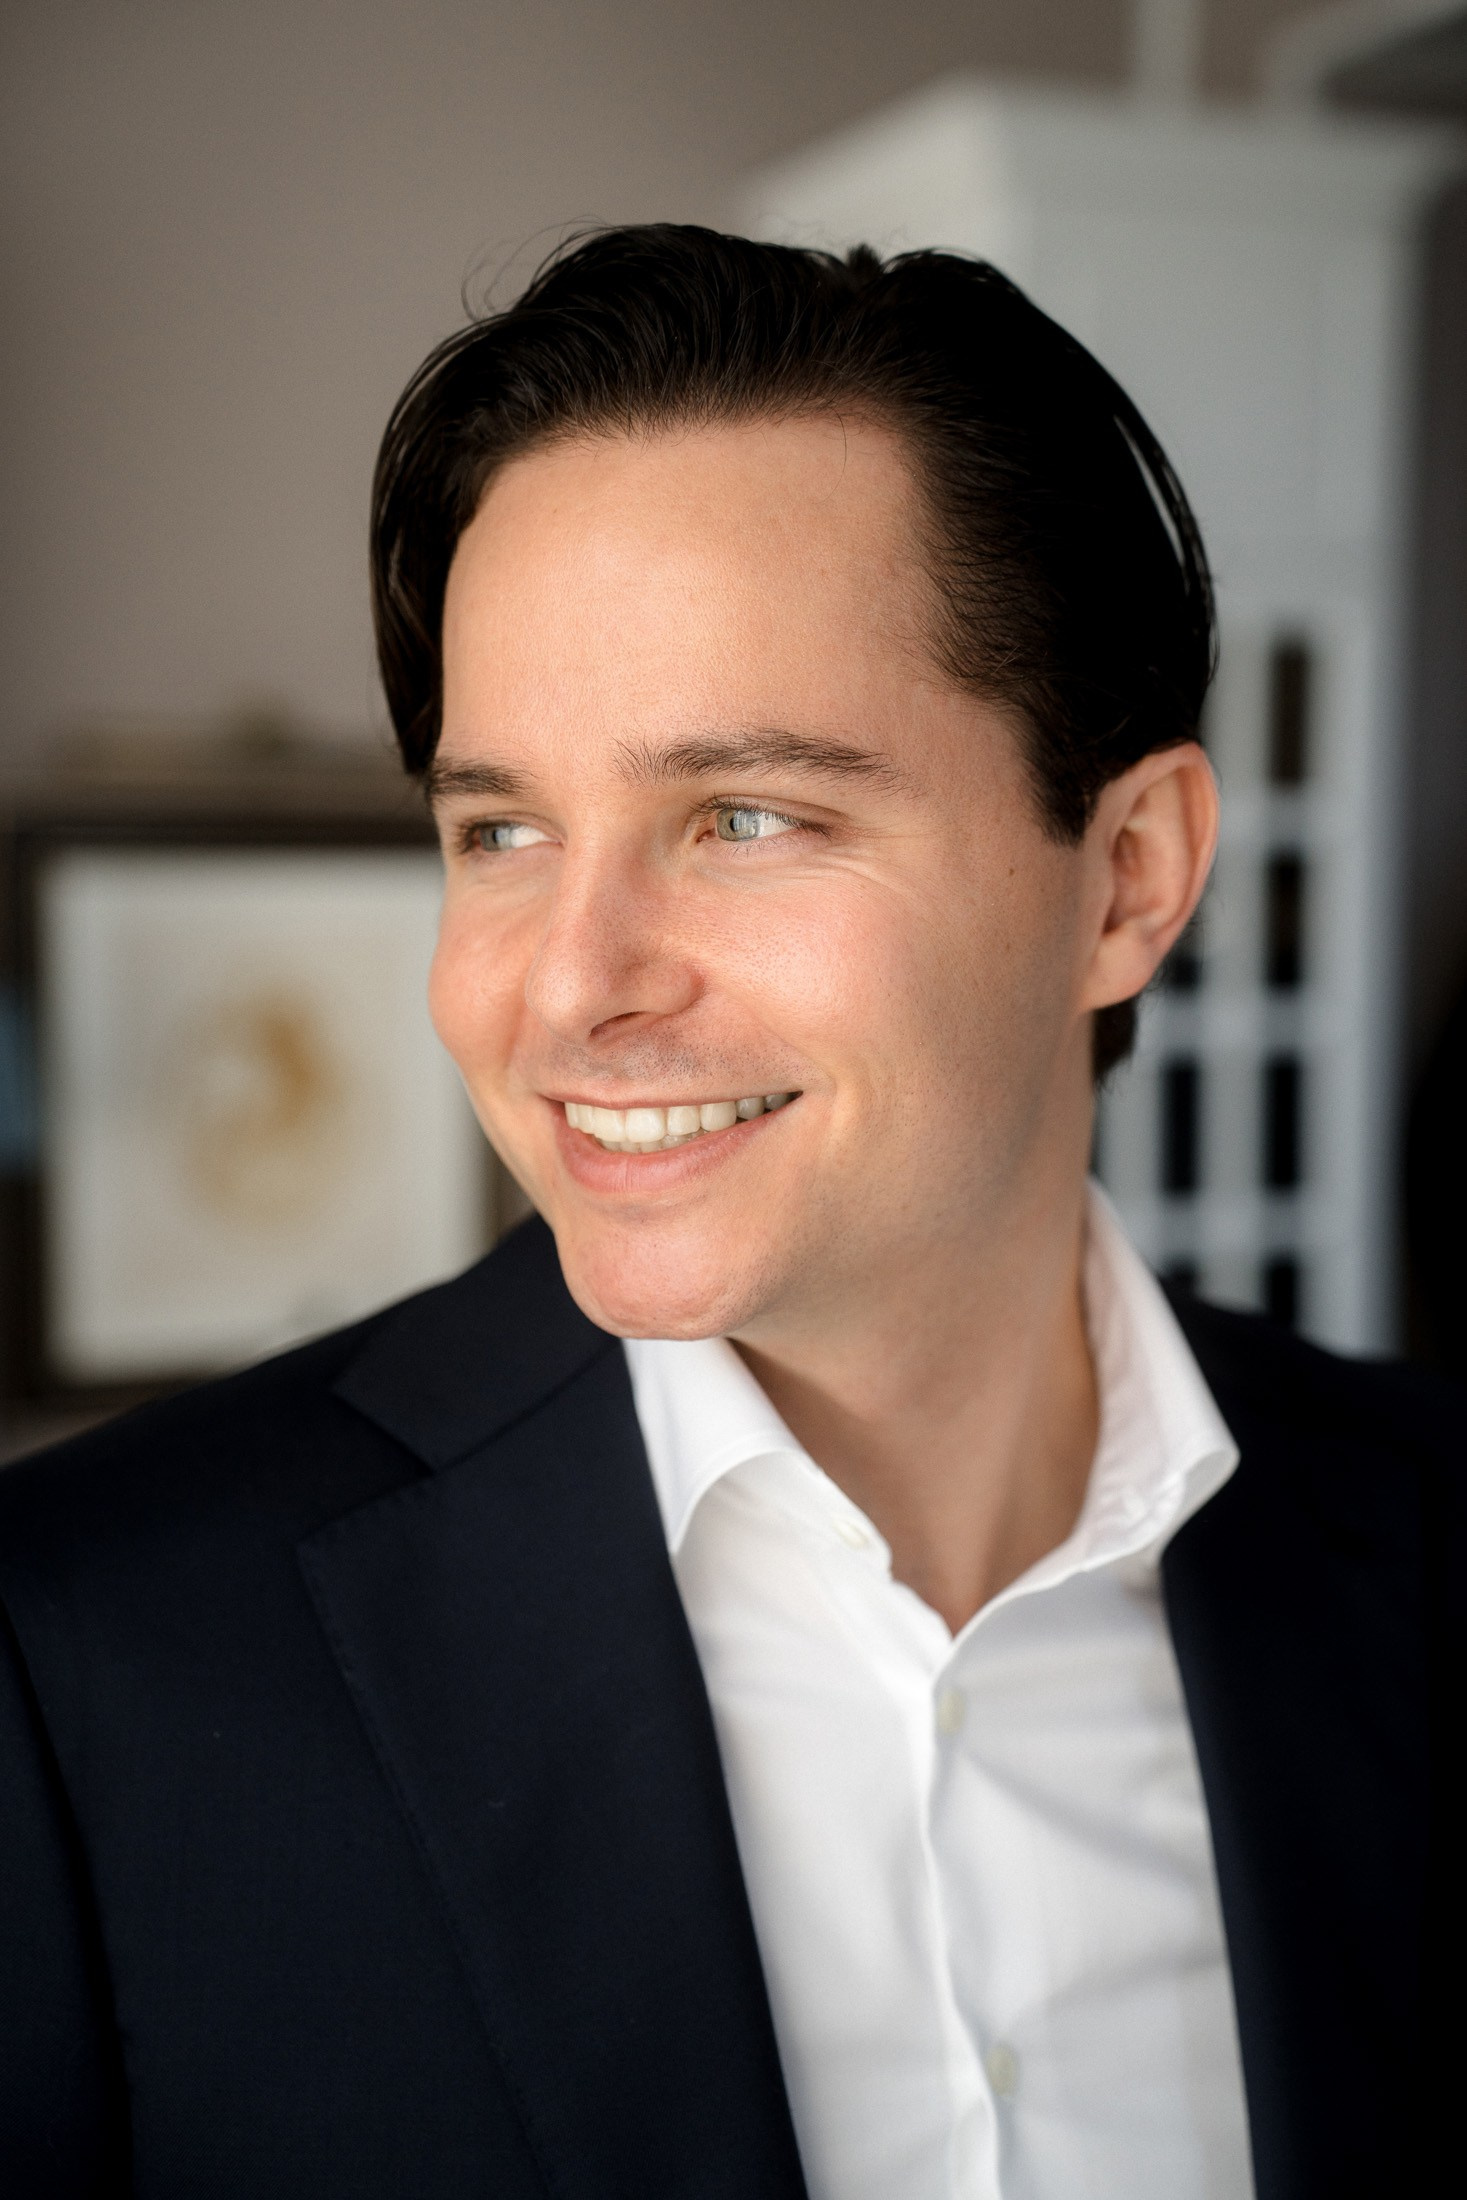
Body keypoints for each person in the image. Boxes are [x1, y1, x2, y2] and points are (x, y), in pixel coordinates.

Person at [1, 227, 1458, 2200]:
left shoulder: (1435, 1552)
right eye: (501, 829)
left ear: (1126, 873)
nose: (565, 984)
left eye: (743, 817)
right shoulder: (81, 1655)